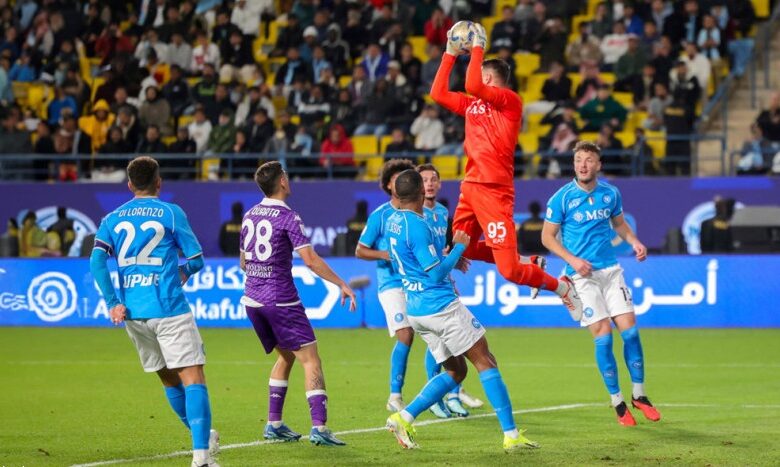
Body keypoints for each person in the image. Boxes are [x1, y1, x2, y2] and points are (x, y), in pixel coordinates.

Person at [429, 22, 582, 316]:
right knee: (464, 247)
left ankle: (563, 287)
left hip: (494, 190)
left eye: (480, 72)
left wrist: (477, 47)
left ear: (488, 77)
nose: (474, 79)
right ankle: (530, 261)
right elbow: (437, 93)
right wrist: (449, 54)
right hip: (470, 187)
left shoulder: (510, 102)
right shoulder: (472, 105)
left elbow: (473, 85)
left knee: (510, 271)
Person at [384, 169, 539, 451]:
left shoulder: (392, 220)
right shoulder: (416, 225)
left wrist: (448, 259)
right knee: (485, 361)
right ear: (420, 192)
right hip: (440, 306)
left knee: (456, 371)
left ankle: (403, 417)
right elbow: (434, 274)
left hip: (416, 310)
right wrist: (458, 250)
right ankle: (512, 435)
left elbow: (419, 262)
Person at [88, 157, 219, 467]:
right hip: (169, 308)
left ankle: (204, 436)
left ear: (130, 184)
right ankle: (201, 458)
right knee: (192, 376)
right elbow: (197, 259)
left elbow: (96, 261)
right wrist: (184, 273)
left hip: (133, 314)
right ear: (159, 182)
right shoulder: (171, 213)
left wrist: (112, 302)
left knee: (167, 378)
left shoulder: (112, 219)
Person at [541, 141, 661, 427]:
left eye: (589, 160)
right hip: (581, 277)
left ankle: (639, 395)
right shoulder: (561, 198)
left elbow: (619, 224)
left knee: (630, 334)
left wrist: (634, 241)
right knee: (604, 337)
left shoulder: (610, 193)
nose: (583, 165)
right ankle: (618, 401)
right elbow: (547, 238)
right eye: (579, 160)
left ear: (598, 164)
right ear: (574, 164)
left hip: (611, 272)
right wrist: (573, 260)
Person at [241, 161, 356, 446]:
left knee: (286, 355)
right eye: (287, 176)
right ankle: (320, 427)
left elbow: (244, 262)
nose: (289, 180)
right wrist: (341, 283)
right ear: (281, 181)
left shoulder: (249, 215)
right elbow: (310, 260)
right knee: (311, 358)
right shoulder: (288, 217)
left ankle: (274, 424)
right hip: (280, 300)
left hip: (252, 299)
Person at [417, 163, 483, 418]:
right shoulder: (414, 214)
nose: (430, 183)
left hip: (442, 281)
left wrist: (455, 258)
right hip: (424, 285)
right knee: (438, 340)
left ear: (440, 184)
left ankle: (452, 395)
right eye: (425, 179)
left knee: (449, 338)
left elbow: (443, 249)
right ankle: (437, 396)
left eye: (434, 179)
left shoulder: (443, 213)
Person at [354, 159, 416, 412]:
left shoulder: (416, 212)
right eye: (397, 178)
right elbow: (360, 250)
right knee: (406, 334)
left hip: (416, 282)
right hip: (392, 284)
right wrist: (385, 255)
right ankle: (395, 395)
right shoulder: (381, 215)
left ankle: (448, 392)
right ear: (389, 184)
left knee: (437, 333)